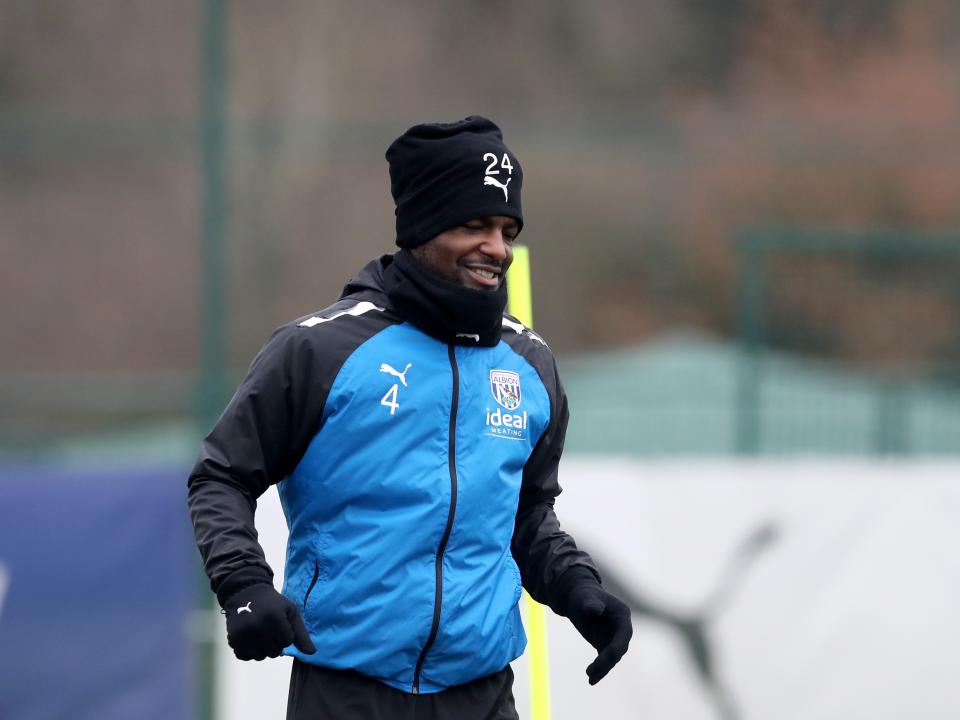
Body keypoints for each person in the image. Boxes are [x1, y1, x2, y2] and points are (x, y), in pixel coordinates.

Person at [187, 116, 632, 719]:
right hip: (347, 693)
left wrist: (578, 587)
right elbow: (221, 477)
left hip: (482, 693)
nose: (496, 247)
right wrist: (243, 584)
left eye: (507, 229)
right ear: (421, 226)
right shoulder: (319, 351)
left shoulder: (531, 365)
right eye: (474, 225)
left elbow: (527, 515)